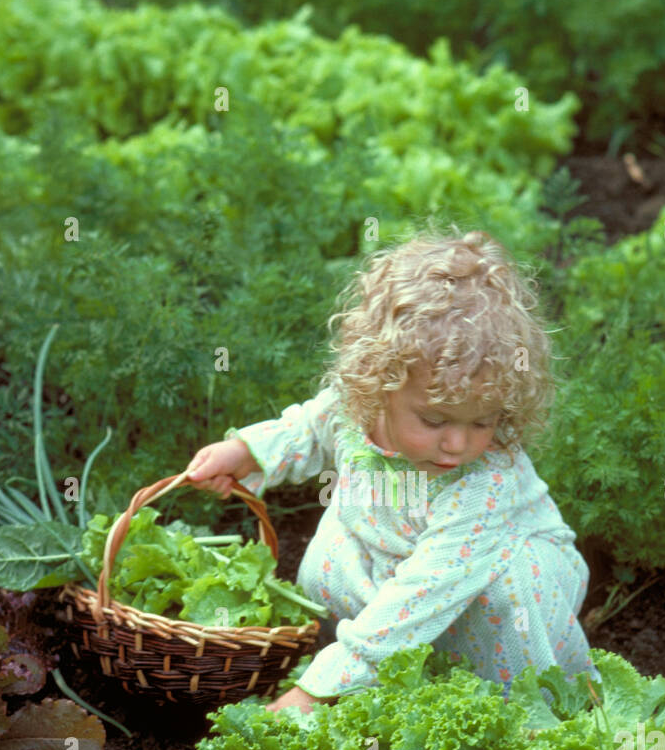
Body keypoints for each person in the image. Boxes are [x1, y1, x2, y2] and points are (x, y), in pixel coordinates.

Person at [187, 225, 599, 714]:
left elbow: (429, 588)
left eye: (483, 422)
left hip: (495, 567)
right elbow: (305, 430)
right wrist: (247, 453)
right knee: (324, 564)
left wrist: (318, 691)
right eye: (433, 419)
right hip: (395, 555)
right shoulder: (356, 407)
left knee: (503, 596)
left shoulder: (484, 479)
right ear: (381, 382)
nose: (457, 442)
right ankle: (377, 672)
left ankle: (518, 709)